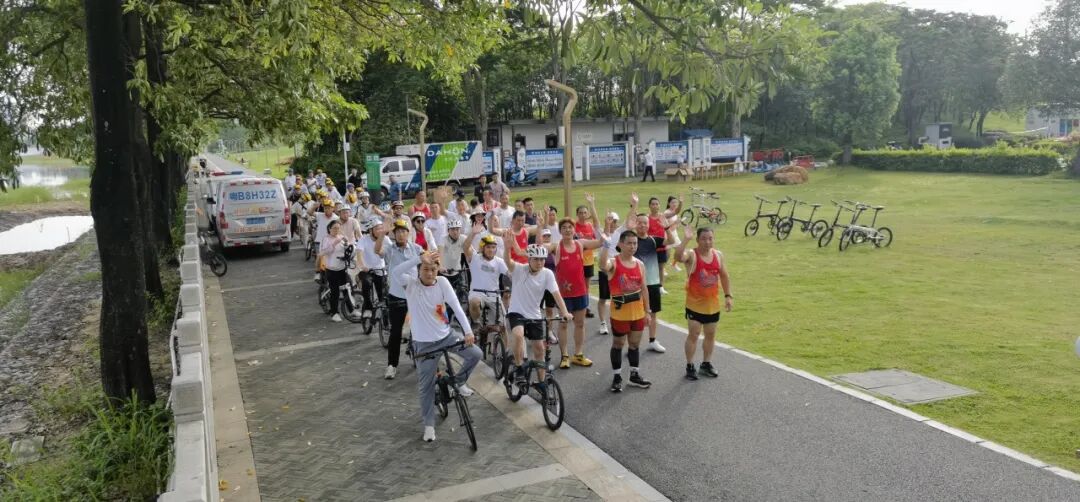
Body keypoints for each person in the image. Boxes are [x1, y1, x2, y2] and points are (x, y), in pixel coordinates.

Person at [393, 250, 481, 443]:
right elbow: (395, 272)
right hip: (424, 345)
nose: (429, 273)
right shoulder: (411, 284)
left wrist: (468, 332)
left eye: (433, 269)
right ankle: (429, 425)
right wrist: (418, 258)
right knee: (426, 387)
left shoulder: (442, 283)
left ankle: (457, 383)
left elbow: (456, 307)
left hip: (447, 336)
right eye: (425, 269)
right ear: (419, 270)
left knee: (476, 354)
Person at [504, 241, 572, 393]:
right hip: (516, 311)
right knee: (518, 335)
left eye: (542, 259)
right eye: (536, 259)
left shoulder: (547, 274)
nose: (540, 262)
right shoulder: (519, 269)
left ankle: (541, 382)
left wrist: (565, 312)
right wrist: (507, 247)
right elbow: (508, 261)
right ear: (529, 259)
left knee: (540, 349)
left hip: (534, 314)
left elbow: (556, 294)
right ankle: (519, 367)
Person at [672, 226, 733, 380]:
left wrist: (728, 296)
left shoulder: (718, 255)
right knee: (694, 334)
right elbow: (678, 257)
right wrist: (685, 239)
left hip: (712, 305)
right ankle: (690, 365)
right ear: (698, 240)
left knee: (710, 335)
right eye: (704, 239)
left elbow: (724, 276)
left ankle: (706, 364)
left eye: (710, 238)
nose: (707, 242)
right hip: (694, 305)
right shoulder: (692, 255)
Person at [597, 228, 652, 393]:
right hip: (620, 314)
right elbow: (602, 265)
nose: (633, 246)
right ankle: (617, 377)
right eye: (629, 243)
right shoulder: (613, 262)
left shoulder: (640, 264)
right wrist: (606, 246)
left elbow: (644, 289)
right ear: (620, 244)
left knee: (634, 344)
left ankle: (634, 375)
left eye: (635, 243)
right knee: (618, 344)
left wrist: (648, 311)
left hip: (638, 313)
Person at [547, 217, 603, 368]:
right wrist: (540, 228)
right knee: (564, 324)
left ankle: (578, 355)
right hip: (563, 295)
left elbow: (600, 242)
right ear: (560, 231)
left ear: (574, 229)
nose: (567, 230)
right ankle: (565, 356)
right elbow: (541, 248)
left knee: (580, 323)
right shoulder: (557, 247)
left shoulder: (580, 244)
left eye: (570, 227)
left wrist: (602, 225)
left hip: (580, 292)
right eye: (564, 227)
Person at [374, 219, 424, 379]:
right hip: (396, 296)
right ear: (394, 234)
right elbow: (377, 250)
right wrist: (382, 234)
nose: (401, 234)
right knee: (396, 331)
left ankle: (421, 359)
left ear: (408, 233)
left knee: (419, 330)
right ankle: (392, 365)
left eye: (403, 231)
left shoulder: (416, 248)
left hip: (414, 295)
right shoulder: (390, 249)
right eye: (398, 232)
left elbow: (427, 261)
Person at [632, 199, 671, 353]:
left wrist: (666, 228)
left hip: (653, 282)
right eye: (640, 223)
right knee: (636, 315)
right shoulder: (631, 241)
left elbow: (672, 241)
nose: (642, 225)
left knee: (653, 314)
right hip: (635, 285)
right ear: (635, 224)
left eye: (645, 223)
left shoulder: (654, 240)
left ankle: (652, 341)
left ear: (649, 225)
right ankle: (634, 345)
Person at [319, 220, 353, 323]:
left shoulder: (341, 237)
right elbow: (323, 252)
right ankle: (334, 313)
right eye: (334, 228)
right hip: (331, 269)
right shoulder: (326, 239)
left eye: (338, 228)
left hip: (342, 268)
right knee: (335, 292)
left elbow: (348, 249)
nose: (336, 230)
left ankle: (351, 310)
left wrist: (347, 244)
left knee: (346, 289)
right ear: (329, 228)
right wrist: (334, 243)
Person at [576, 193, 602, 319]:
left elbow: (597, 224)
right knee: (577, 284)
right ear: (577, 214)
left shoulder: (590, 226)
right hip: (576, 261)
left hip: (588, 260)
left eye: (585, 213)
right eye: (580, 213)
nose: (583, 215)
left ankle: (585, 307)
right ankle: (575, 307)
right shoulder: (573, 226)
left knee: (586, 285)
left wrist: (592, 204)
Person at [355, 218, 387, 316]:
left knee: (383, 294)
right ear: (370, 230)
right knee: (366, 283)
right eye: (377, 229)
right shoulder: (363, 239)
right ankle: (368, 308)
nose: (380, 231)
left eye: (381, 228)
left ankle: (384, 317)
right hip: (367, 270)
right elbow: (359, 254)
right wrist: (362, 265)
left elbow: (389, 252)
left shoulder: (385, 239)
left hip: (381, 270)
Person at [648, 197, 678, 294]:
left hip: (662, 244)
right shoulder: (647, 218)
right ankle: (650, 286)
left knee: (661, 267)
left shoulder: (663, 216)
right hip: (650, 246)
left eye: (657, 204)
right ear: (649, 206)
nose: (655, 206)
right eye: (653, 204)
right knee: (650, 268)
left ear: (659, 205)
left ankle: (661, 287)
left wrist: (681, 203)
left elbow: (675, 212)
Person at [437, 218, 468, 299]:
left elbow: (471, 252)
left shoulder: (463, 238)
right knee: (443, 296)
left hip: (457, 271)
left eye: (457, 229)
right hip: (444, 272)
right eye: (452, 229)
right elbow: (440, 252)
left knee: (461, 294)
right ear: (448, 230)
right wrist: (440, 266)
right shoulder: (443, 239)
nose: (455, 232)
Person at [310, 198, 339, 281]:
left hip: (331, 242)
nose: (327, 210)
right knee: (319, 257)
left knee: (330, 260)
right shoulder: (320, 215)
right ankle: (317, 273)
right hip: (319, 241)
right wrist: (314, 207)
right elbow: (310, 212)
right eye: (325, 208)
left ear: (333, 208)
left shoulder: (336, 218)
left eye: (329, 208)